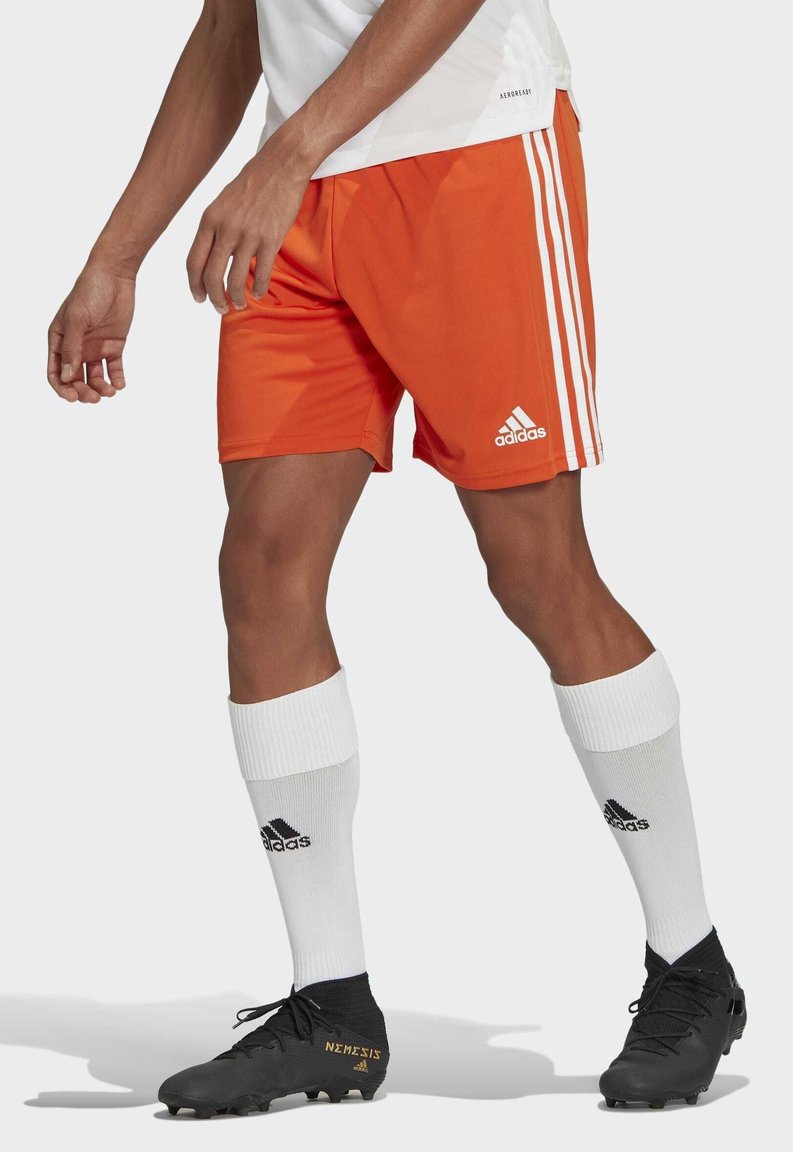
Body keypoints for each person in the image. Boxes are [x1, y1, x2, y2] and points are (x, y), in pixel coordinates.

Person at [47, 0, 746, 1118]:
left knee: (536, 569)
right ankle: (331, 1007)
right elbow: (233, 23)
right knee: (261, 572)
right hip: (295, 202)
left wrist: (284, 156)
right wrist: (114, 254)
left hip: (470, 161)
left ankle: (692, 965)